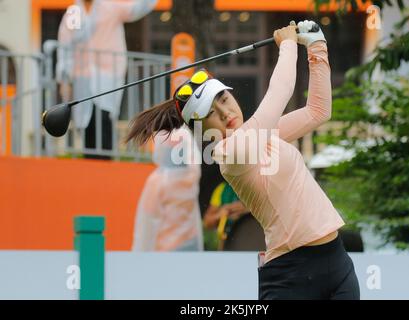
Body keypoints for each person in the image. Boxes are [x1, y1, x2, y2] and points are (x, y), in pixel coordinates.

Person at [125, 20, 360, 299]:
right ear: (203, 130)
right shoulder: (228, 153)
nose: (225, 112)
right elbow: (279, 93)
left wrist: (317, 46)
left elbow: (319, 111)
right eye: (212, 112)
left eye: (223, 99)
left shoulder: (266, 135)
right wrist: (287, 45)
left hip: (337, 260)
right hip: (292, 277)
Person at [56, 0, 157, 159]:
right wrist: (65, 77)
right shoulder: (74, 13)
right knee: (87, 123)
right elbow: (66, 45)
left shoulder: (109, 7)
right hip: (83, 78)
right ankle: (91, 164)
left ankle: (106, 162)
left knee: (104, 117)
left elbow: (136, 9)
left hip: (108, 75)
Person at [132, 127, 204, 251]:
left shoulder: (157, 181)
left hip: (165, 251)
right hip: (191, 244)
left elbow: (146, 224)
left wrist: (139, 257)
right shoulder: (192, 175)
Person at [203, 181, 249, 250]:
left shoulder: (260, 185)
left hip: (254, 238)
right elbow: (207, 222)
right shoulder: (223, 188)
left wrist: (248, 210)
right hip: (227, 242)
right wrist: (221, 213)